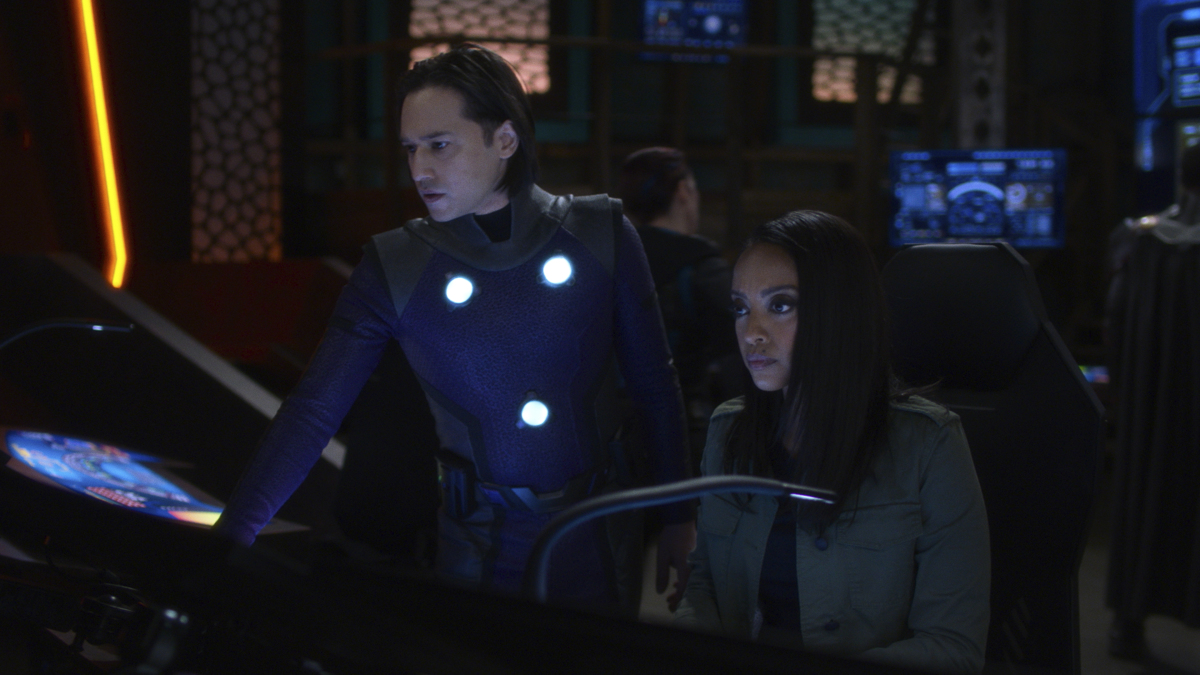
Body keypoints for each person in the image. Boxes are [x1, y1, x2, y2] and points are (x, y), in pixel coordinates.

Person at [213, 44, 695, 611]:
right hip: (478, 545)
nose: (420, 169)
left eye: (439, 145)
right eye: (410, 148)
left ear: (505, 140)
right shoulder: (396, 266)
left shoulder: (601, 232)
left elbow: (655, 383)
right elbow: (314, 410)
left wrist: (679, 517)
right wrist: (228, 540)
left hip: (599, 537)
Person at [674, 211, 990, 674]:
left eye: (780, 305)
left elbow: (953, 649)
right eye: (741, 308)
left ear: (839, 312)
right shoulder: (729, 430)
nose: (752, 332)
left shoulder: (930, 444)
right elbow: (704, 589)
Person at [617, 148, 739, 468]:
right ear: (683, 191)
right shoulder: (702, 267)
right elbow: (740, 351)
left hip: (617, 436)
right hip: (689, 433)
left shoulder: (611, 259)